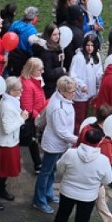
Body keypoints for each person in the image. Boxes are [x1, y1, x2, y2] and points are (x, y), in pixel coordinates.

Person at [47, 126, 112, 222]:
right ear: (99, 141)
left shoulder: (71, 153)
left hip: (67, 191)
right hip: (88, 197)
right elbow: (108, 179)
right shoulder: (103, 161)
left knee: (62, 215)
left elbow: (60, 168)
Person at [34, 76, 78, 213]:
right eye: (71, 91)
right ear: (62, 91)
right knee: (46, 172)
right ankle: (39, 200)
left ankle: (48, 193)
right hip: (55, 144)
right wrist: (78, 139)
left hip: (60, 144)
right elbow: (61, 132)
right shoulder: (59, 108)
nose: (74, 94)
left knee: (52, 170)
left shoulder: (60, 98)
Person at [0, 77, 28, 211]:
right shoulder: (8, 106)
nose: (22, 91)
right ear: (10, 91)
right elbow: (8, 128)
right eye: (18, 89)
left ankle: (0, 190)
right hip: (6, 144)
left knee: (6, 171)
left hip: (9, 142)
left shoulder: (10, 100)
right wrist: (22, 119)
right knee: (3, 171)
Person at [18, 57, 47, 173]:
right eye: (40, 70)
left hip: (36, 115)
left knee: (32, 140)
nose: (42, 72)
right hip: (31, 119)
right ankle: (37, 164)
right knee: (31, 139)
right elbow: (27, 107)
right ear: (31, 70)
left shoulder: (35, 80)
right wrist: (38, 117)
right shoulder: (26, 84)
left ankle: (38, 163)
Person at [69, 34, 102, 129]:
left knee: (86, 115)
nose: (90, 48)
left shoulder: (97, 56)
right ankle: (76, 138)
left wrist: (102, 78)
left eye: (92, 45)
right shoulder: (78, 58)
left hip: (91, 92)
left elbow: (98, 71)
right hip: (80, 94)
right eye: (88, 45)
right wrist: (81, 85)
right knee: (79, 118)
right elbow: (73, 75)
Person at [32, 23, 66, 98]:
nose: (57, 37)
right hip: (48, 86)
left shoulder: (50, 46)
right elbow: (48, 73)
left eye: (58, 34)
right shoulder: (46, 51)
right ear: (48, 35)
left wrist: (57, 58)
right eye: (54, 34)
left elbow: (50, 62)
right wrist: (61, 70)